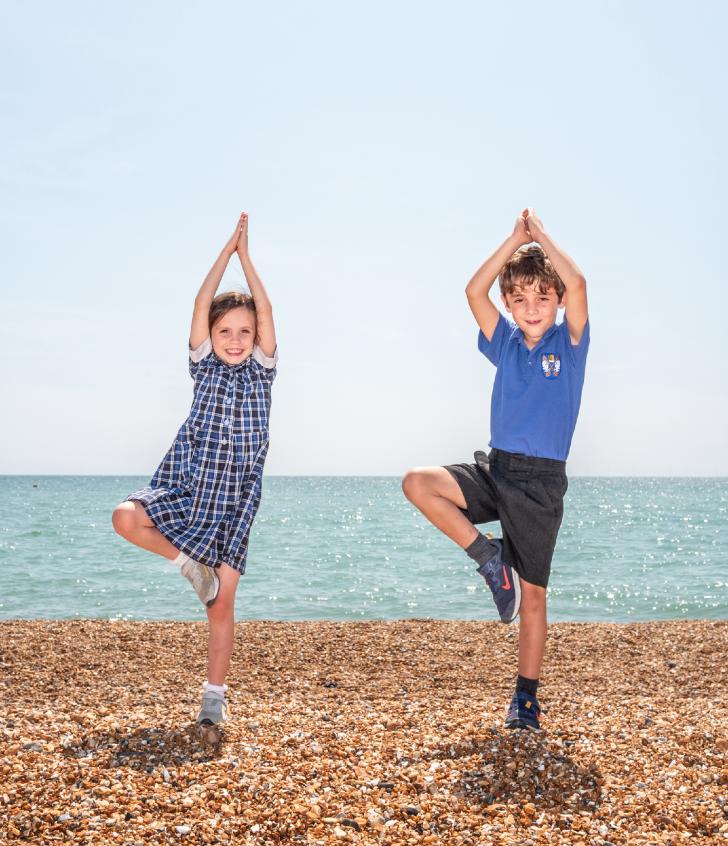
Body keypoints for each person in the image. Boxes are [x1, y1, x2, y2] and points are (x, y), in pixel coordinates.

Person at [402, 208, 589, 730]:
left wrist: (541, 238)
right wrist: (512, 242)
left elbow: (577, 282)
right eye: (520, 299)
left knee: (533, 597)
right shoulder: (505, 342)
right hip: (497, 468)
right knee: (418, 482)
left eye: (542, 298)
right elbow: (472, 291)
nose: (531, 308)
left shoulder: (569, 345)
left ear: (556, 302)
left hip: (541, 484)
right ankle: (489, 559)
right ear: (509, 304)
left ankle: (525, 698)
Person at [112, 212, 277, 727]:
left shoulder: (262, 373)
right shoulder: (203, 366)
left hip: (234, 503)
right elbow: (200, 304)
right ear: (209, 337)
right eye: (225, 331)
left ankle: (213, 697)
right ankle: (188, 563)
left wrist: (247, 261)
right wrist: (225, 253)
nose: (235, 338)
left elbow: (266, 310)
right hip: (190, 485)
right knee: (124, 516)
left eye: (243, 331)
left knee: (220, 606)